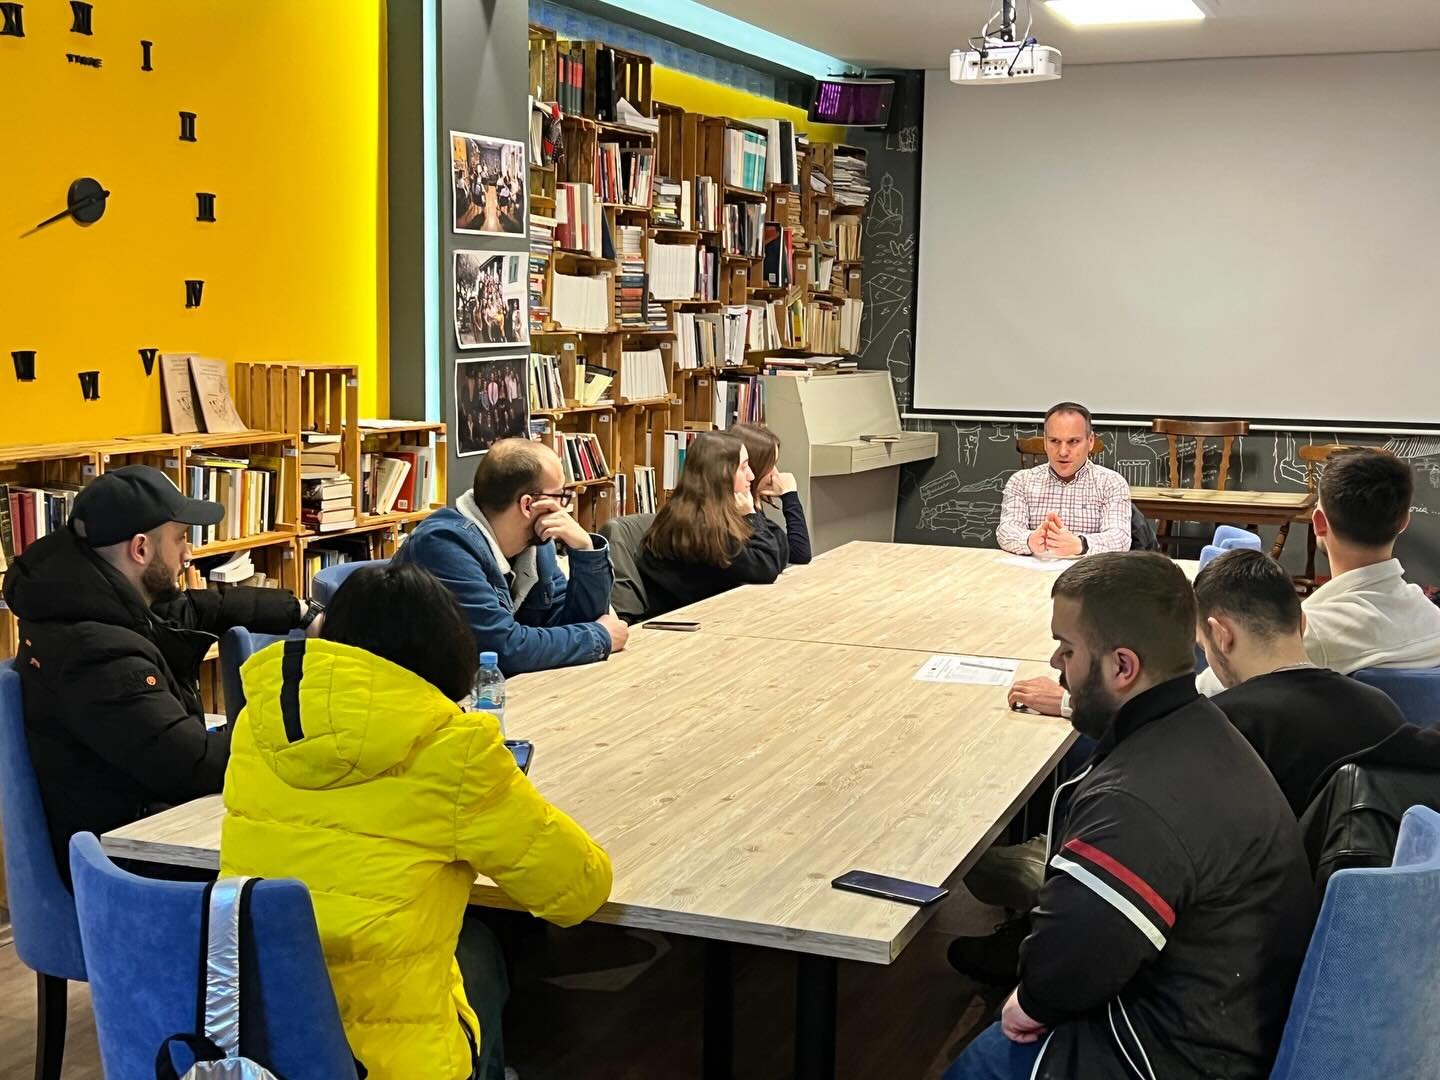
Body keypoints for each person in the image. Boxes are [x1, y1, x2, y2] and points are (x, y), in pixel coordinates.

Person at [220, 562, 612, 1080]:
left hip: (264, 1038)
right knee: (482, 954)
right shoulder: (453, 750)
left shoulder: (257, 724)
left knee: (472, 946)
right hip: (392, 1061)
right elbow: (578, 891)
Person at [944, 553, 1314, 1080]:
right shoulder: (1201, 730)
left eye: (1068, 649)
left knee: (980, 1063)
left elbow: (1062, 971)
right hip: (1233, 1018)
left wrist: (1029, 1001)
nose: (1055, 663)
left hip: (1171, 1054)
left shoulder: (1135, 802)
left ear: (1122, 667)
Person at [1, 465, 310, 878]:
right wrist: (298, 727)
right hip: (124, 866)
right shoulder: (95, 653)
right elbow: (195, 766)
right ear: (141, 549)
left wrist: (302, 612)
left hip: (140, 823)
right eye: (180, 538)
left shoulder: (96, 601)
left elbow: (196, 609)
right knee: (314, 854)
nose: (188, 554)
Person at [1196, 447, 1440, 695]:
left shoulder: (1307, 635)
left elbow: (1206, 691)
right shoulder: (1432, 617)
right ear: (1403, 523)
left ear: (1319, 523)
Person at [1196, 548, 1406, 815]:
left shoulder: (1220, 724)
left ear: (1221, 634)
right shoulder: (1381, 706)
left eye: (1203, 646)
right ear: (1303, 622)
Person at [394, 439, 628, 676]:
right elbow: (502, 649)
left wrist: (585, 549)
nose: (563, 509)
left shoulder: (537, 545)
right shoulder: (443, 545)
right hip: (426, 692)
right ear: (529, 505)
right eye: (560, 496)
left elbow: (575, 624)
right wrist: (599, 637)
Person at [637, 430, 787, 619]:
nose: (751, 475)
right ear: (723, 473)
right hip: (682, 624)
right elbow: (766, 568)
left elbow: (780, 550)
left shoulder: (711, 513)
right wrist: (751, 515)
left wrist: (754, 507)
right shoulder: (699, 526)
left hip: (709, 617)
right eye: (744, 467)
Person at [995, 402, 1131, 558]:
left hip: (1088, 570)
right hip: (1034, 569)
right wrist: (1029, 540)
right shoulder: (1021, 481)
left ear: (1090, 441)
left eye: (1073, 441)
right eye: (1054, 441)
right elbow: (1006, 530)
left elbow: (1120, 538)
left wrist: (1080, 544)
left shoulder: (1111, 483)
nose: (1063, 452)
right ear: (1045, 442)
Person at [732, 422, 812, 566]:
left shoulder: (749, 502)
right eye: (770, 465)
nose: (775, 473)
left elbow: (798, 553)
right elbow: (799, 553)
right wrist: (790, 496)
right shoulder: (737, 509)